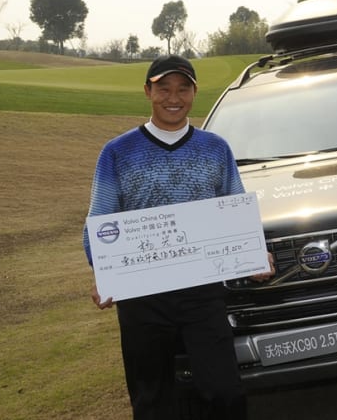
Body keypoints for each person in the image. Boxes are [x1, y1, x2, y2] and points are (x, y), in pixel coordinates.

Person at [83, 54, 272, 420]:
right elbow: (100, 222)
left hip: (202, 295)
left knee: (224, 392)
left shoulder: (215, 148)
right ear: (147, 91)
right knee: (152, 399)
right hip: (142, 295)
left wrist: (255, 253)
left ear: (194, 93)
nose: (174, 97)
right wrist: (103, 272)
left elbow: (236, 212)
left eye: (183, 88)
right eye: (164, 88)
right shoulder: (117, 152)